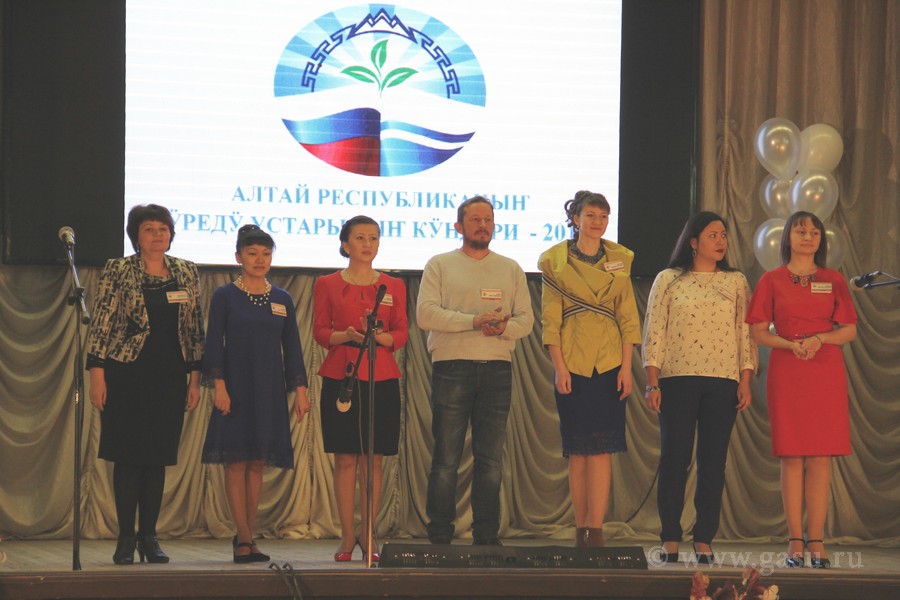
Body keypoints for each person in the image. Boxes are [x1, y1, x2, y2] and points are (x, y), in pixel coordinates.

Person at [87, 203, 205, 565]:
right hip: (126, 374)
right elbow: (102, 322)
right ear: (136, 236)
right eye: (149, 229)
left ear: (171, 234)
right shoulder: (119, 269)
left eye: (163, 229)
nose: (157, 235)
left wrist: (195, 378)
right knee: (128, 458)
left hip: (169, 375)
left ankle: (149, 537)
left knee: (156, 459)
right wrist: (97, 373)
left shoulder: (186, 271)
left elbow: (193, 327)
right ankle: (126, 538)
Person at [416, 196, 534, 546]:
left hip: (497, 368)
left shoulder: (510, 268)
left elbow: (526, 320)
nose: (483, 225)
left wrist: (504, 328)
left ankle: (486, 536)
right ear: (459, 226)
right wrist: (473, 321)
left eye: (488, 220)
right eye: (475, 219)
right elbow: (425, 314)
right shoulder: (440, 264)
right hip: (452, 366)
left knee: (491, 459)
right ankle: (440, 535)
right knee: (446, 457)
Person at [641, 211, 757, 563]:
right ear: (693, 242)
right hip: (677, 379)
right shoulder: (668, 279)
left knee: (713, 462)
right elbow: (654, 331)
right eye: (712, 235)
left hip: (723, 381)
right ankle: (670, 537)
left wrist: (745, 379)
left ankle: (704, 537)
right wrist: (652, 383)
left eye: (723, 235)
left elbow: (745, 333)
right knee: (675, 459)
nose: (721, 241)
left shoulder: (735, 281)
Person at [747, 211, 857, 569]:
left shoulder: (833, 279)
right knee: (792, 455)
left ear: (820, 240)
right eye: (800, 231)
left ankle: (817, 540)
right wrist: (789, 344)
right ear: (788, 238)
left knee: (821, 457)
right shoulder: (771, 280)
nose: (808, 237)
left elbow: (849, 329)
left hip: (825, 369)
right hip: (788, 367)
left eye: (814, 232)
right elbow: (758, 332)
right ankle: (795, 540)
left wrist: (820, 338)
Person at [538, 190, 641, 547]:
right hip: (574, 362)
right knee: (578, 449)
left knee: (601, 450)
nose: (598, 222)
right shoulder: (555, 261)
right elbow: (550, 320)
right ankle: (579, 528)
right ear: (575, 219)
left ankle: (595, 530)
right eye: (591, 215)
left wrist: (626, 368)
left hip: (609, 361)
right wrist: (559, 367)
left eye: (603, 216)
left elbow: (628, 317)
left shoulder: (620, 258)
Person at [201, 224, 310, 564]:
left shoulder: (282, 299)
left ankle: (249, 535)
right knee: (236, 461)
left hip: (269, 389)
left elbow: (292, 346)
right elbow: (213, 343)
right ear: (238, 257)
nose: (260, 259)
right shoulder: (225, 296)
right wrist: (219, 386)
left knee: (257, 463)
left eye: (266, 254)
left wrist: (301, 389)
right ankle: (243, 537)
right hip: (235, 387)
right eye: (252, 254)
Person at [313, 215, 409, 562]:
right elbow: (320, 331)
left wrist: (380, 337)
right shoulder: (326, 283)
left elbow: (402, 332)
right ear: (345, 244)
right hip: (343, 374)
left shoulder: (393, 285)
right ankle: (346, 535)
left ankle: (369, 534)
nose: (368, 244)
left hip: (381, 374)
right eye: (360, 238)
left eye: (374, 238)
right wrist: (346, 336)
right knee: (345, 458)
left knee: (374, 460)